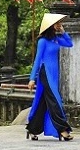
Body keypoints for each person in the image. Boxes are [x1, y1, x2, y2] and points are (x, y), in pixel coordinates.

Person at [26, 13, 73, 141]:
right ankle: (63, 129)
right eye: (56, 23)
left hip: (54, 74)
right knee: (55, 100)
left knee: (43, 102)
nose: (59, 25)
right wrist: (32, 78)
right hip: (45, 73)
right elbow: (37, 60)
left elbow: (69, 44)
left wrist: (63, 32)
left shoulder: (56, 39)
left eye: (59, 23)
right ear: (50, 26)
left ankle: (32, 129)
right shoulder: (42, 41)